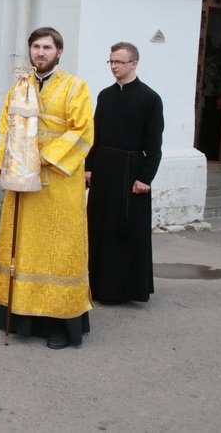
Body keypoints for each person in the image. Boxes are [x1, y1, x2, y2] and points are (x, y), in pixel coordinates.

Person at [0, 26, 94, 349]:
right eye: (36, 47)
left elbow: (82, 131)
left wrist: (43, 157)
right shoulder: (19, 87)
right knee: (24, 251)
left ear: (59, 52)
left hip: (59, 184)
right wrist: (10, 163)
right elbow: (6, 128)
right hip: (23, 182)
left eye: (47, 47)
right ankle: (22, 319)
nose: (40, 52)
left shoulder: (75, 87)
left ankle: (59, 325)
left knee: (58, 253)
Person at [86, 42, 164, 304]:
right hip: (103, 169)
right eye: (111, 61)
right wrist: (88, 166)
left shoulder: (150, 98)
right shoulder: (105, 96)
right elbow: (95, 135)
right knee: (100, 228)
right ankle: (96, 286)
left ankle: (124, 289)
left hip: (131, 172)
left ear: (134, 63)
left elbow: (154, 144)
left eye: (119, 62)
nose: (114, 66)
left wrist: (145, 177)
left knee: (126, 230)